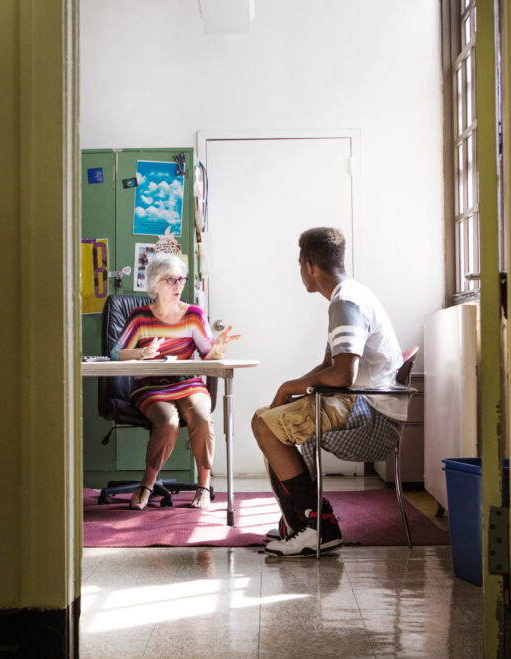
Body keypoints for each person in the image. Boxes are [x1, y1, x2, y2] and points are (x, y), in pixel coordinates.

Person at [250, 227, 405, 557]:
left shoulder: (346, 302)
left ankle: (315, 527)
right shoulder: (347, 296)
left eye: (299, 264)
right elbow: (328, 368)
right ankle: (299, 523)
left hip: (369, 415)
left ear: (308, 265)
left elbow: (343, 374)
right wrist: (292, 392)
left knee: (265, 425)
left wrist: (286, 387)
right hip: (363, 403)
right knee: (269, 418)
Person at [110, 253, 241, 510]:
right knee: (168, 421)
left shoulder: (193, 315)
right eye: (171, 280)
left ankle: (203, 485)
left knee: (203, 417)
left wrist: (219, 346)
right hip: (150, 387)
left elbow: (207, 355)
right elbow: (116, 352)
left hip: (188, 383)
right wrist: (141, 353)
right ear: (155, 284)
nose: (179, 286)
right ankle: (147, 483)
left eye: (181, 279)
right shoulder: (140, 317)